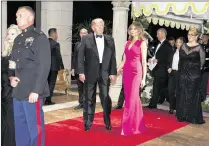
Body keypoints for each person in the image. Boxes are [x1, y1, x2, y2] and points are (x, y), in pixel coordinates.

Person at [8, 6, 51, 146]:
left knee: (35, 128)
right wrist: (11, 77)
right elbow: (12, 62)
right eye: (16, 16)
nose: (17, 18)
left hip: (32, 91)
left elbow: (44, 66)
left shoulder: (40, 38)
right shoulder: (18, 39)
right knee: (20, 127)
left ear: (30, 18)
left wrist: (37, 90)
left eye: (20, 15)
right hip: (19, 90)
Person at [77, 18, 117, 131]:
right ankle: (88, 122)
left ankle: (107, 121)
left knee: (105, 97)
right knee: (89, 98)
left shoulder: (110, 39)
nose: (101, 27)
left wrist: (113, 72)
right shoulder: (86, 38)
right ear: (93, 27)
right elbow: (80, 57)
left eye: (102, 25)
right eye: (99, 25)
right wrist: (81, 72)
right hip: (90, 72)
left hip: (104, 72)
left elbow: (113, 57)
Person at [117, 22, 147, 136]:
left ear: (139, 30)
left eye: (135, 28)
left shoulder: (142, 43)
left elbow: (144, 62)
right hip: (127, 73)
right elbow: (123, 60)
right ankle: (138, 124)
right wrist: (116, 71)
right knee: (132, 99)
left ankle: (127, 127)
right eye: (131, 28)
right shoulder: (127, 42)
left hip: (136, 73)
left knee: (130, 100)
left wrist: (143, 78)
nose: (132, 30)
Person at [176, 27, 205, 124]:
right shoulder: (183, 46)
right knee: (182, 94)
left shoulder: (199, 48)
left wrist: (195, 72)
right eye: (188, 34)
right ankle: (182, 115)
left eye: (192, 35)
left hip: (194, 76)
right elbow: (180, 61)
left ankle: (191, 116)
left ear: (197, 36)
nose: (189, 37)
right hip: (183, 74)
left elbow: (202, 63)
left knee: (192, 96)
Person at [1, 24, 21, 146]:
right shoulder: (6, 52)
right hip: (4, 90)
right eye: (8, 33)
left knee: (10, 120)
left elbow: (16, 73)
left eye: (13, 34)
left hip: (12, 92)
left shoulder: (18, 53)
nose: (9, 36)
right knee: (4, 120)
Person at [147, 28, 173, 108]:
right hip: (157, 69)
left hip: (162, 70)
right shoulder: (159, 43)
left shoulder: (167, 45)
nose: (157, 35)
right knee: (161, 88)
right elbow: (157, 55)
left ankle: (153, 104)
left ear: (162, 34)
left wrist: (159, 60)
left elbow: (169, 58)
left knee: (157, 87)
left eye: (158, 34)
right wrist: (152, 59)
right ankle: (172, 104)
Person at [45, 28, 64, 105]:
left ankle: (44, 98)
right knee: (51, 83)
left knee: (46, 83)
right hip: (53, 67)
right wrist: (62, 66)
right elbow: (58, 56)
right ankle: (48, 100)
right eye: (57, 34)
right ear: (54, 34)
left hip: (45, 67)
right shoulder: (55, 44)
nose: (57, 35)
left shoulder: (44, 42)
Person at [72, 28, 88, 110]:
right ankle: (81, 103)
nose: (83, 34)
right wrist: (73, 68)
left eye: (85, 33)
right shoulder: (77, 44)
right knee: (80, 87)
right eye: (82, 33)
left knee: (86, 88)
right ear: (80, 34)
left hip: (87, 70)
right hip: (78, 69)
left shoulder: (91, 44)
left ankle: (86, 103)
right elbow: (74, 57)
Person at [167, 37, 184, 114]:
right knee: (170, 90)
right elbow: (168, 61)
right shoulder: (173, 51)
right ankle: (171, 107)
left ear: (183, 43)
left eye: (180, 42)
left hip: (180, 74)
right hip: (172, 73)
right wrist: (169, 67)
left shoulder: (185, 53)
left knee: (179, 92)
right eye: (177, 42)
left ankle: (178, 108)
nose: (178, 43)